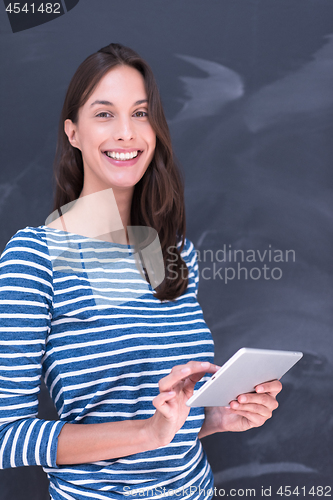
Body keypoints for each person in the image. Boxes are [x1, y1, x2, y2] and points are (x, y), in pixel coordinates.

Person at [0, 43, 281, 499]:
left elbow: (166, 427)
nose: (127, 132)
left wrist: (215, 419)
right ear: (73, 132)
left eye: (141, 113)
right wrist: (148, 432)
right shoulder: (35, 256)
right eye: (105, 114)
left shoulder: (175, 253)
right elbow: (6, 438)